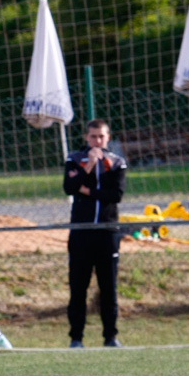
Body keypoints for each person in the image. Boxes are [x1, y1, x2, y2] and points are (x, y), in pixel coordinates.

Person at [64, 119, 127, 349]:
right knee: (78, 287)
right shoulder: (74, 159)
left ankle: (110, 337)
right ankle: (76, 338)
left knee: (108, 288)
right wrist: (88, 167)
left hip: (107, 232)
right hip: (81, 233)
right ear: (86, 137)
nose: (97, 141)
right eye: (93, 137)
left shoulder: (117, 162)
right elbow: (69, 188)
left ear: (108, 137)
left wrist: (88, 190)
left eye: (101, 137)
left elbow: (116, 194)